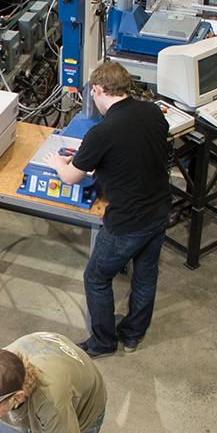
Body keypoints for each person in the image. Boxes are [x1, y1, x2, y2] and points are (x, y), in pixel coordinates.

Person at [47, 61, 171, 356]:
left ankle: (102, 342)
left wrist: (57, 162)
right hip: (160, 210)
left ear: (99, 90)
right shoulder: (152, 112)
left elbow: (72, 177)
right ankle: (132, 335)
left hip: (128, 221)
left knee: (96, 277)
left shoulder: (102, 133)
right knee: (145, 274)